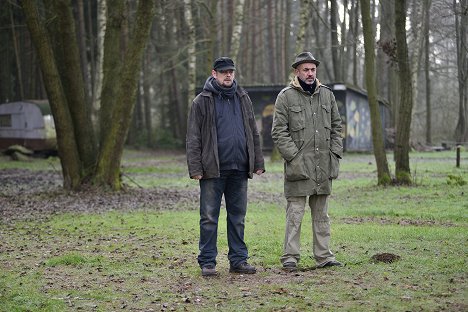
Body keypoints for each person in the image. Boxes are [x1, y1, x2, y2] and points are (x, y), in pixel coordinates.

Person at [186, 57, 265, 277]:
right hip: (212, 169)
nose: (228, 75)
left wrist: (257, 161)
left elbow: (253, 131)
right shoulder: (201, 101)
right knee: (209, 217)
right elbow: (193, 138)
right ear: (214, 74)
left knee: (237, 217)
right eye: (224, 72)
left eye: (231, 71)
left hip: (239, 168)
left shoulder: (243, 97)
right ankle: (208, 262)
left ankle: (238, 261)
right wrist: (195, 168)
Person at [271, 52, 343, 271]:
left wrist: (335, 154)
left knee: (322, 214)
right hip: (298, 166)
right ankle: (290, 257)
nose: (310, 73)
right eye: (306, 70)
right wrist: (294, 157)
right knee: (295, 213)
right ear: (297, 72)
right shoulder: (285, 97)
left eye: (313, 69)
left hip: (323, 164)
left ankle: (324, 256)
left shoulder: (327, 95)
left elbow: (337, 127)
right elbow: (278, 132)